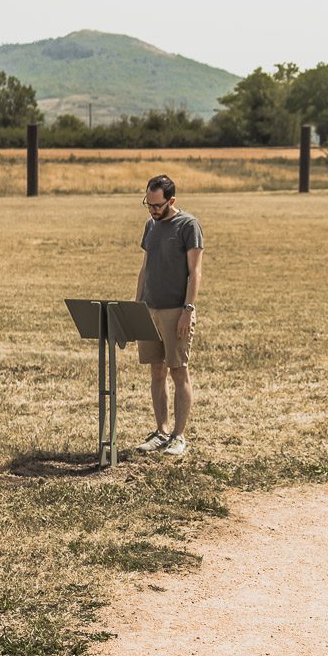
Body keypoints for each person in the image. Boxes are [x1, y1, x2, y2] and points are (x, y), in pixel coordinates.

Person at [134, 175, 203, 457]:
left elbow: (195, 272)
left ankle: (179, 436)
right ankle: (160, 432)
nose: (152, 210)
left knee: (178, 370)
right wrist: (137, 305)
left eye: (157, 205)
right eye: (148, 204)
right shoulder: (150, 225)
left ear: (171, 201)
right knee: (156, 369)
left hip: (176, 310)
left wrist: (187, 309)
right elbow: (145, 267)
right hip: (150, 308)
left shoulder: (188, 225)